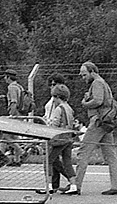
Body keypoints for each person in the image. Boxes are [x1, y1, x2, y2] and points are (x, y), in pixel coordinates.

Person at [70, 61, 117, 195]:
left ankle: (76, 185)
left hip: (97, 122)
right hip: (106, 123)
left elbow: (97, 101)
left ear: (92, 71)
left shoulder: (97, 83)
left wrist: (85, 103)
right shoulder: (103, 83)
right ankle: (115, 185)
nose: (82, 77)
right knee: (110, 154)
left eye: (84, 74)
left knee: (83, 152)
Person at [43, 83, 78, 194]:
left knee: (48, 161)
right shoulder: (69, 109)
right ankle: (73, 185)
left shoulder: (59, 109)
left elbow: (55, 124)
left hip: (60, 139)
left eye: (54, 97)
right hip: (69, 137)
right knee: (67, 161)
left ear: (57, 97)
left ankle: (49, 186)